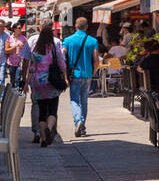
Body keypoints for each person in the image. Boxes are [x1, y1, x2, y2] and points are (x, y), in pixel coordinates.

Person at [21, 19, 67, 147]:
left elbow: (31, 68)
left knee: (41, 111)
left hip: (38, 83)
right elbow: (62, 64)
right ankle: (50, 127)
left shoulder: (36, 50)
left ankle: (43, 138)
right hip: (52, 83)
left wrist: (25, 84)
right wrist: (65, 76)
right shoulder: (54, 48)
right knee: (52, 110)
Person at [62, 17, 99, 138]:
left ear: (75, 26)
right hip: (87, 73)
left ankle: (78, 121)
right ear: (87, 26)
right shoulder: (93, 41)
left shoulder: (68, 40)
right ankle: (82, 127)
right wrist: (93, 72)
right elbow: (96, 60)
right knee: (84, 100)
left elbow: (62, 57)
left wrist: (64, 74)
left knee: (74, 99)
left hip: (74, 74)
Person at [6, 21, 25, 90]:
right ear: (14, 29)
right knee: (12, 80)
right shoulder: (9, 39)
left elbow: (26, 50)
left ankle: (16, 93)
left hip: (20, 62)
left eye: (20, 28)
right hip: (11, 62)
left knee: (17, 78)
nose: (20, 29)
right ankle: (11, 94)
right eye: (19, 28)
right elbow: (6, 50)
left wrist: (22, 47)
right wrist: (15, 46)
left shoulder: (23, 38)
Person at [0, 19, 11, 86]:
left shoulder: (7, 35)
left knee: (1, 78)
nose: (2, 28)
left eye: (3, 26)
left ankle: (0, 95)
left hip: (2, 60)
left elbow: (8, 47)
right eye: (1, 26)